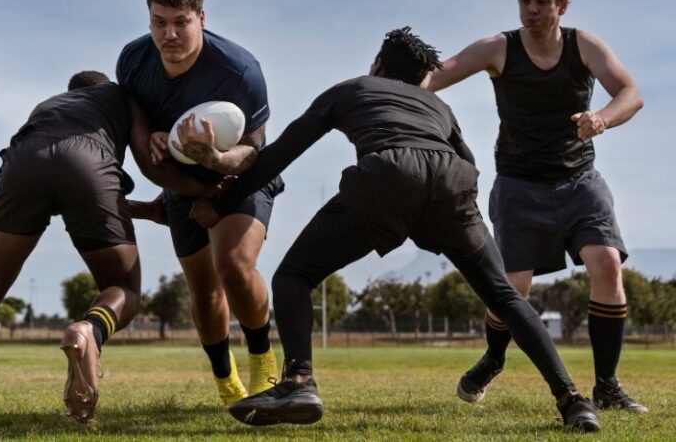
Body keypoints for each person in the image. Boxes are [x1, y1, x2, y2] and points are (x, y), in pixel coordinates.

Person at [190, 27, 600, 431]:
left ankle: (298, 382)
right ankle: (572, 400)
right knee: (506, 297)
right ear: (422, 78)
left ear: (379, 64)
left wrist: (220, 201)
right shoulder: (438, 107)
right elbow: (468, 160)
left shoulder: (353, 88)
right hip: (453, 181)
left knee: (294, 277)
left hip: (389, 174)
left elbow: (279, 154)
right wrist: (445, 217)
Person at [422, 0, 646, 413]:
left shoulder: (584, 45)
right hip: (519, 186)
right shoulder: (498, 49)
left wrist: (600, 118)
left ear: (562, 5)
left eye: (542, 2)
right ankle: (493, 357)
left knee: (606, 265)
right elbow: (437, 75)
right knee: (513, 289)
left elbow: (630, 93)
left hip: (580, 180)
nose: (531, 10)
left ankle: (606, 386)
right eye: (525, 1)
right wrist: (390, 89)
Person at [0, 71, 151, 425]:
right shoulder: (120, 95)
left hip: (24, 159)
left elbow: (56, 176)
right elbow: (141, 164)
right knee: (123, 287)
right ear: (104, 85)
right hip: (88, 161)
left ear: (72, 92)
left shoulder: (49, 105)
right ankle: (89, 331)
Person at [116, 0, 282, 405]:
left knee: (232, 264)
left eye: (181, 23)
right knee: (204, 292)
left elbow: (253, 147)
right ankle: (226, 379)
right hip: (181, 181)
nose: (169, 35)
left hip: (242, 174)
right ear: (149, 17)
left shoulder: (240, 70)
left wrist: (217, 159)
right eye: (159, 22)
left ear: (201, 19)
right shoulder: (133, 61)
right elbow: (142, 144)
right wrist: (155, 139)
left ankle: (265, 364)